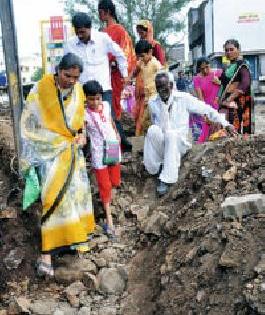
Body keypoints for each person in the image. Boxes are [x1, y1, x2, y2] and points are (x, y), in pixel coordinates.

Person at [20, 53, 95, 276]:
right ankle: (47, 254)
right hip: (48, 152)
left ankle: (72, 241)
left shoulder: (79, 91)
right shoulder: (41, 90)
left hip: (71, 154)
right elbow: (28, 124)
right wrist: (53, 141)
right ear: (58, 70)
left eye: (75, 77)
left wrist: (81, 135)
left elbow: (79, 121)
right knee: (52, 197)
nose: (70, 81)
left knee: (73, 196)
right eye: (67, 75)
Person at [144, 72, 235, 196]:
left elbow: (207, 110)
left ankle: (166, 179)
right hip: (165, 142)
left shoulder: (183, 98)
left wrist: (225, 124)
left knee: (171, 135)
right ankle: (156, 167)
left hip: (180, 143)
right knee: (152, 130)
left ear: (171, 85)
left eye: (164, 87)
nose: (161, 91)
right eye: (158, 87)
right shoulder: (153, 102)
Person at [64, 12, 132, 151]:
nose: (80, 35)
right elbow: (63, 64)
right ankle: (87, 156)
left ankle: (113, 156)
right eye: (77, 32)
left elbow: (120, 54)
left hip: (103, 90)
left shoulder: (103, 39)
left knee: (107, 122)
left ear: (89, 28)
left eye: (82, 32)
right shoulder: (70, 44)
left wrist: (124, 75)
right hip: (81, 91)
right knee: (81, 123)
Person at [84, 80, 121, 238]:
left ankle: (110, 203)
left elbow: (110, 120)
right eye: (91, 99)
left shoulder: (105, 105)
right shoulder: (84, 114)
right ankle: (109, 219)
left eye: (97, 98)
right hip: (99, 153)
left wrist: (116, 132)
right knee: (105, 185)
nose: (95, 102)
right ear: (85, 98)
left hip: (112, 146)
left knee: (114, 181)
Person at [98, 0, 136, 121]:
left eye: (100, 12)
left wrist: (115, 63)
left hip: (116, 74)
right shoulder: (101, 32)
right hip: (104, 74)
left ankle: (118, 136)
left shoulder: (120, 30)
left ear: (107, 12)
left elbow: (126, 52)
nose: (99, 15)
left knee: (115, 105)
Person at [135, 20, 166, 136]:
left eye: (142, 32)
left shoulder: (155, 46)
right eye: (138, 33)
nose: (140, 35)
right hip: (145, 89)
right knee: (143, 119)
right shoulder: (140, 51)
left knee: (154, 118)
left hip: (155, 91)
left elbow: (162, 68)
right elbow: (137, 68)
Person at [219, 39, 253, 134]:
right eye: (226, 50)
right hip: (227, 104)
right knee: (228, 131)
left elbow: (245, 83)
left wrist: (229, 99)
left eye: (231, 49)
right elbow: (223, 84)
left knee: (237, 131)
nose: (229, 52)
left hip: (238, 102)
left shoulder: (242, 65)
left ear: (238, 50)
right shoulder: (228, 66)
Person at [193, 57, 222, 143]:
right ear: (199, 69)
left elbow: (227, 88)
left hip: (220, 108)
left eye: (207, 67)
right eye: (202, 69)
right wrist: (205, 115)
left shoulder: (218, 73)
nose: (205, 70)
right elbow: (200, 98)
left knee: (221, 135)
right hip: (208, 109)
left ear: (210, 65)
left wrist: (219, 83)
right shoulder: (197, 79)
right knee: (206, 137)